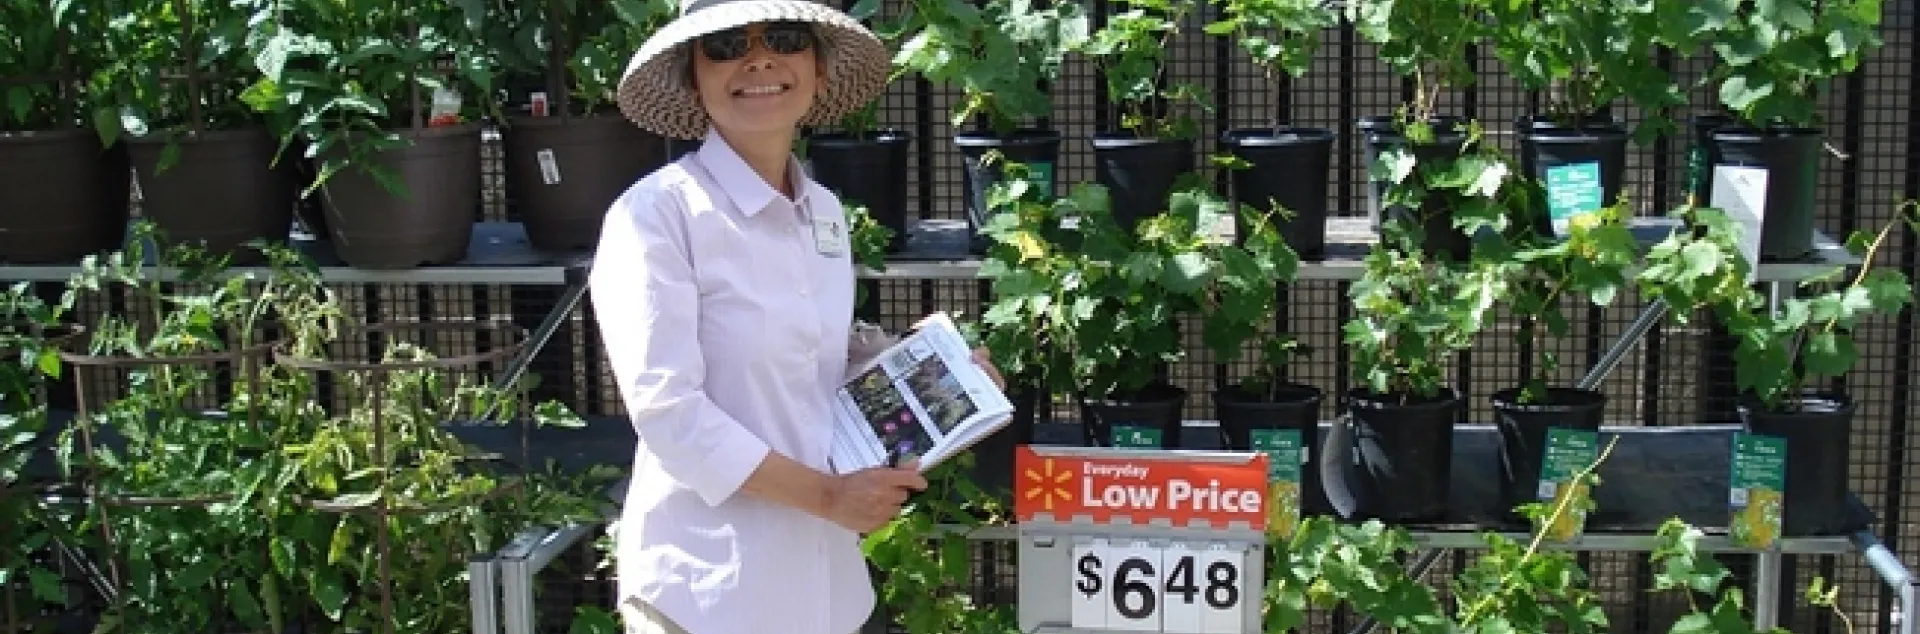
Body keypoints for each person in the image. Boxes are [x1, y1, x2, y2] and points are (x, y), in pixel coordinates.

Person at [590, 1, 1006, 633]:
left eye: (784, 38)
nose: (760, 59)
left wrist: (937, 374)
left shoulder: (825, 212)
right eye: (727, 44)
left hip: (824, 592)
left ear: (816, 66)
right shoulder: (655, 218)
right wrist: (828, 497)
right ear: (692, 76)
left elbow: (817, 353)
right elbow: (669, 411)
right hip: (708, 595)